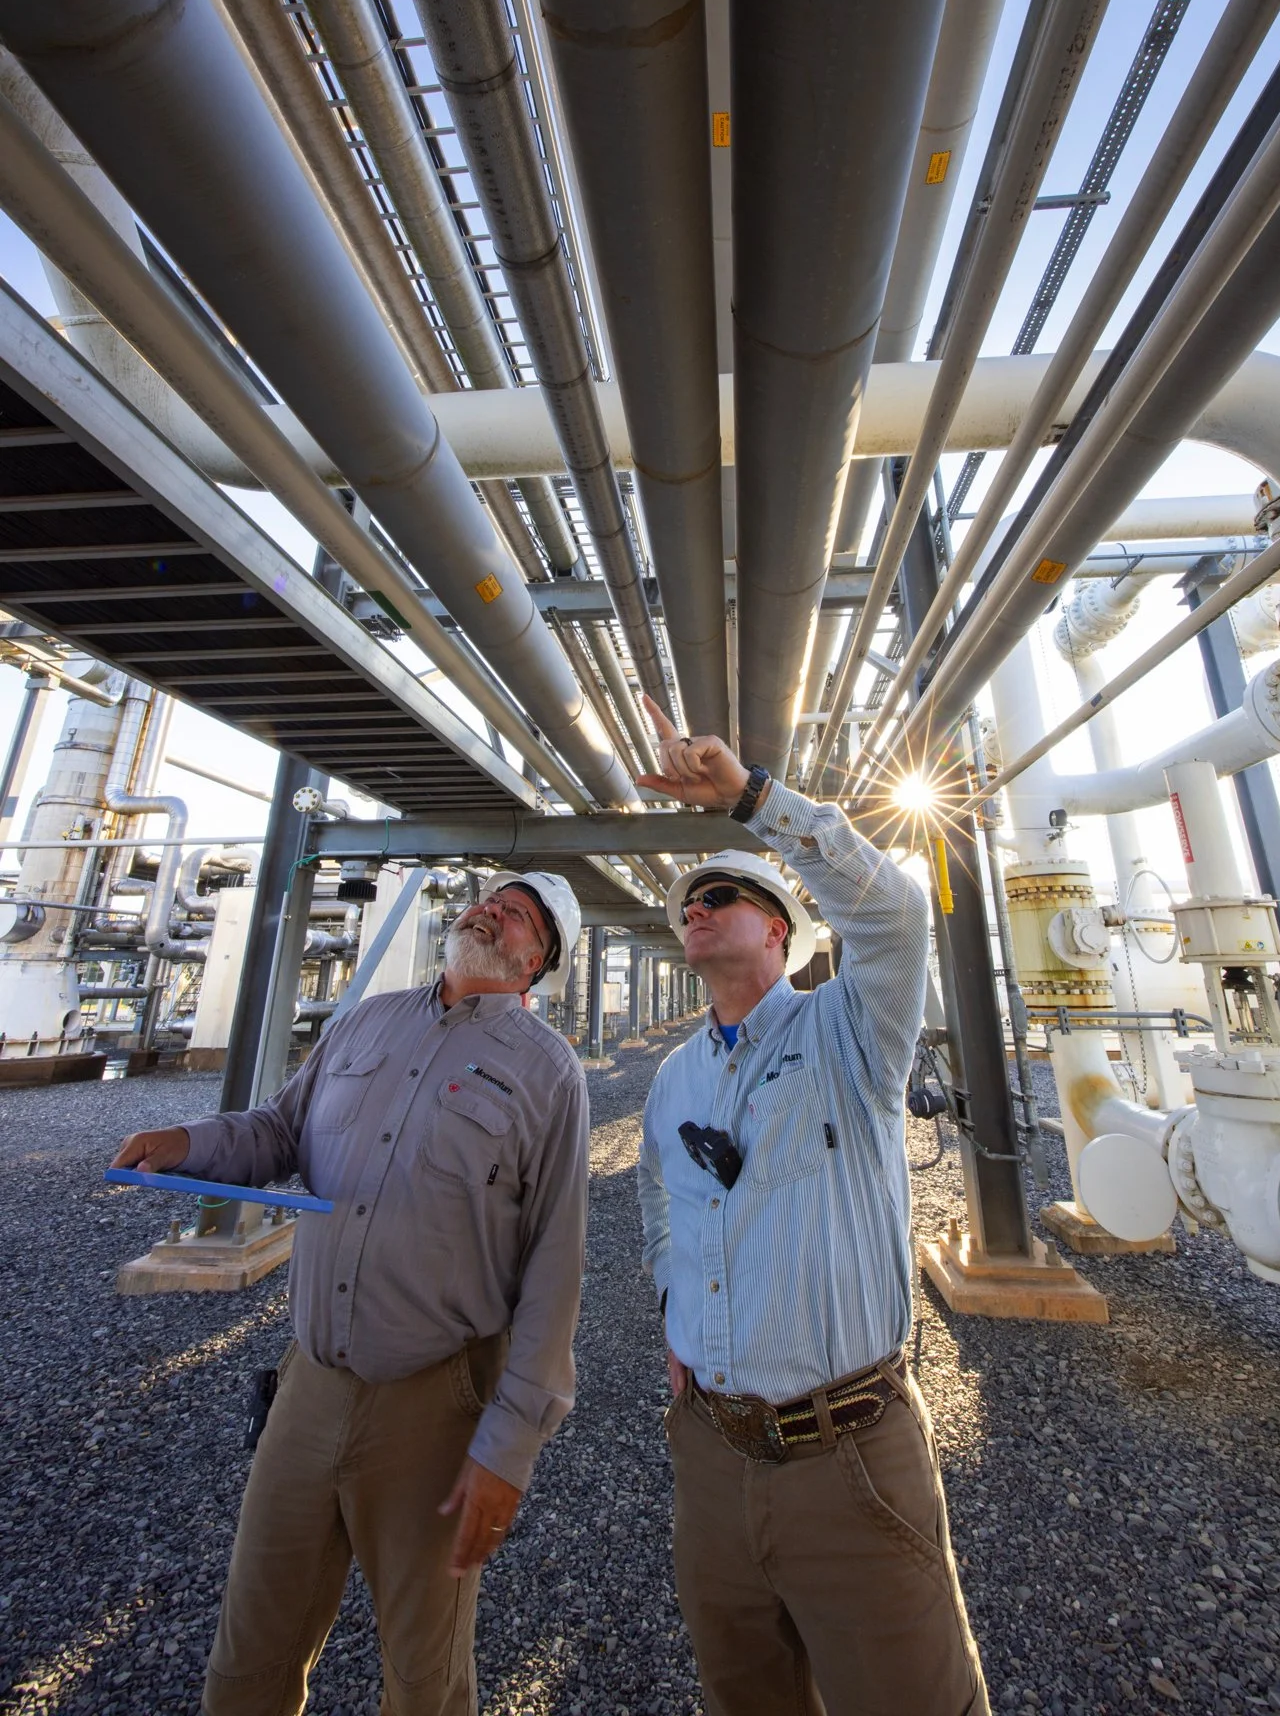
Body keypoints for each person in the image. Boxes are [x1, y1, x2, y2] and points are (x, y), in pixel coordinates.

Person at [112, 870, 589, 1716]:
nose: (489, 909)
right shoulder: (365, 1021)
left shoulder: (549, 1072)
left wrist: (510, 1446)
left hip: (435, 1404)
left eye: (516, 913)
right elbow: (278, 1131)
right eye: (490, 898)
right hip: (310, 1385)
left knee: (422, 1671)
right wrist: (186, 1141)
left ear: (536, 961)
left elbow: (557, 1261)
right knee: (251, 1644)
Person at [636, 697, 990, 1716]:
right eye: (686, 905)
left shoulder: (848, 1032)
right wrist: (673, 1307)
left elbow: (893, 912)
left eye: (718, 895)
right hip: (709, 1452)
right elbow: (660, 1197)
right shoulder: (673, 1079)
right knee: (742, 1692)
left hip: (848, 1456)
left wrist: (751, 799)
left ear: (779, 930)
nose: (694, 908)